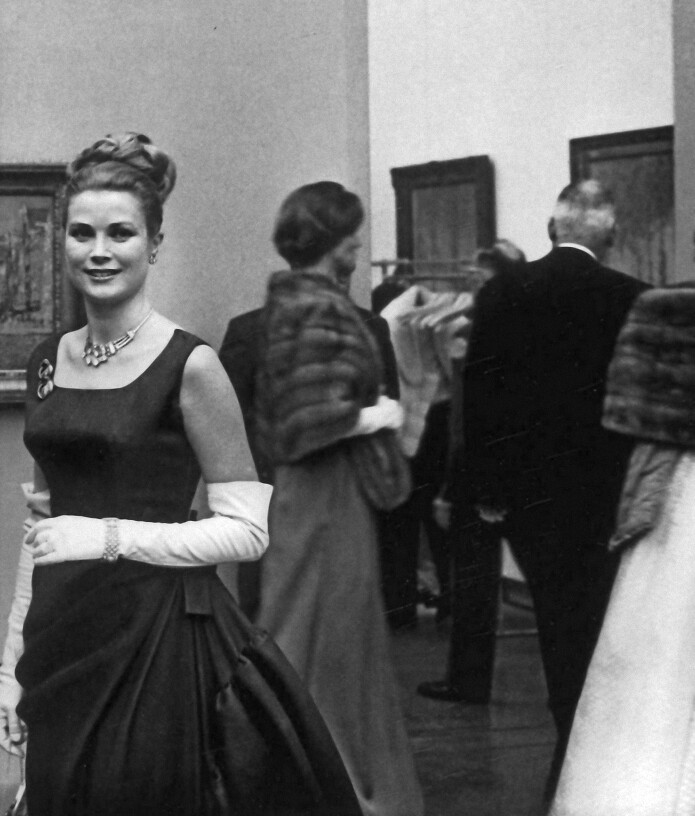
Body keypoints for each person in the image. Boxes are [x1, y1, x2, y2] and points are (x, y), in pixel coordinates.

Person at [0, 134, 361, 816]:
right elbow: (42, 526)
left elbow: (247, 532)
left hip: (157, 640)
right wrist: (9, 667)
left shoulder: (190, 365)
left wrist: (108, 536)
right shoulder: (48, 361)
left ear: (155, 243)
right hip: (62, 634)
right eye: (81, 233)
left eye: (120, 233)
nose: (98, 251)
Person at [445, 181, 649, 799]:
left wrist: (485, 487)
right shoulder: (632, 296)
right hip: (605, 495)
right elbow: (637, 406)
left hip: (529, 496)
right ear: (610, 235)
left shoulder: (505, 290)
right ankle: (589, 762)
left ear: (552, 226)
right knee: (600, 628)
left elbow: (481, 393)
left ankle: (570, 755)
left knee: (556, 624)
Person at [250, 181, 424, 816]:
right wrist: (378, 414)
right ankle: (326, 785)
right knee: (325, 637)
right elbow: (306, 423)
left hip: (320, 494)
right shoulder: (317, 309)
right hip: (322, 496)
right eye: (350, 232)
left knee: (327, 633)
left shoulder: (298, 303)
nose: (358, 242)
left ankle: (315, 780)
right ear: (330, 240)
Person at [219, 192, 399, 620]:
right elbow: (228, 423)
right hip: (282, 494)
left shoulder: (368, 325)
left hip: (341, 492)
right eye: (350, 233)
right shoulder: (253, 329)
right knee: (279, 621)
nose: (359, 243)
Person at [551, 285, 695, 815]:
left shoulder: (663, 308)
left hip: (679, 483)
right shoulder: (669, 308)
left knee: (662, 640)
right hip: (683, 492)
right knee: (667, 639)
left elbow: (624, 412)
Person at [418, 239, 526, 704]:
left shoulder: (473, 334)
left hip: (479, 471)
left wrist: (451, 486)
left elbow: (468, 419)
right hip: (523, 468)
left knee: (474, 582)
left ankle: (468, 679)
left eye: (479, 280)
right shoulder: (533, 328)